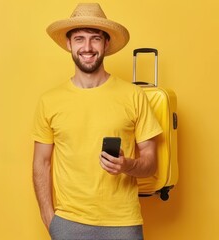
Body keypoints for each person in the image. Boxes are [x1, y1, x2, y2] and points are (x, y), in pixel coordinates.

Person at [32, 3, 163, 240]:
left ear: (106, 44)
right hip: (68, 223)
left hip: (123, 223)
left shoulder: (134, 96)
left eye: (95, 39)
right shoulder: (49, 101)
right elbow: (41, 163)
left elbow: (152, 163)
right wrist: (50, 220)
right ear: (69, 44)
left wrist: (127, 165)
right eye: (80, 39)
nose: (88, 47)